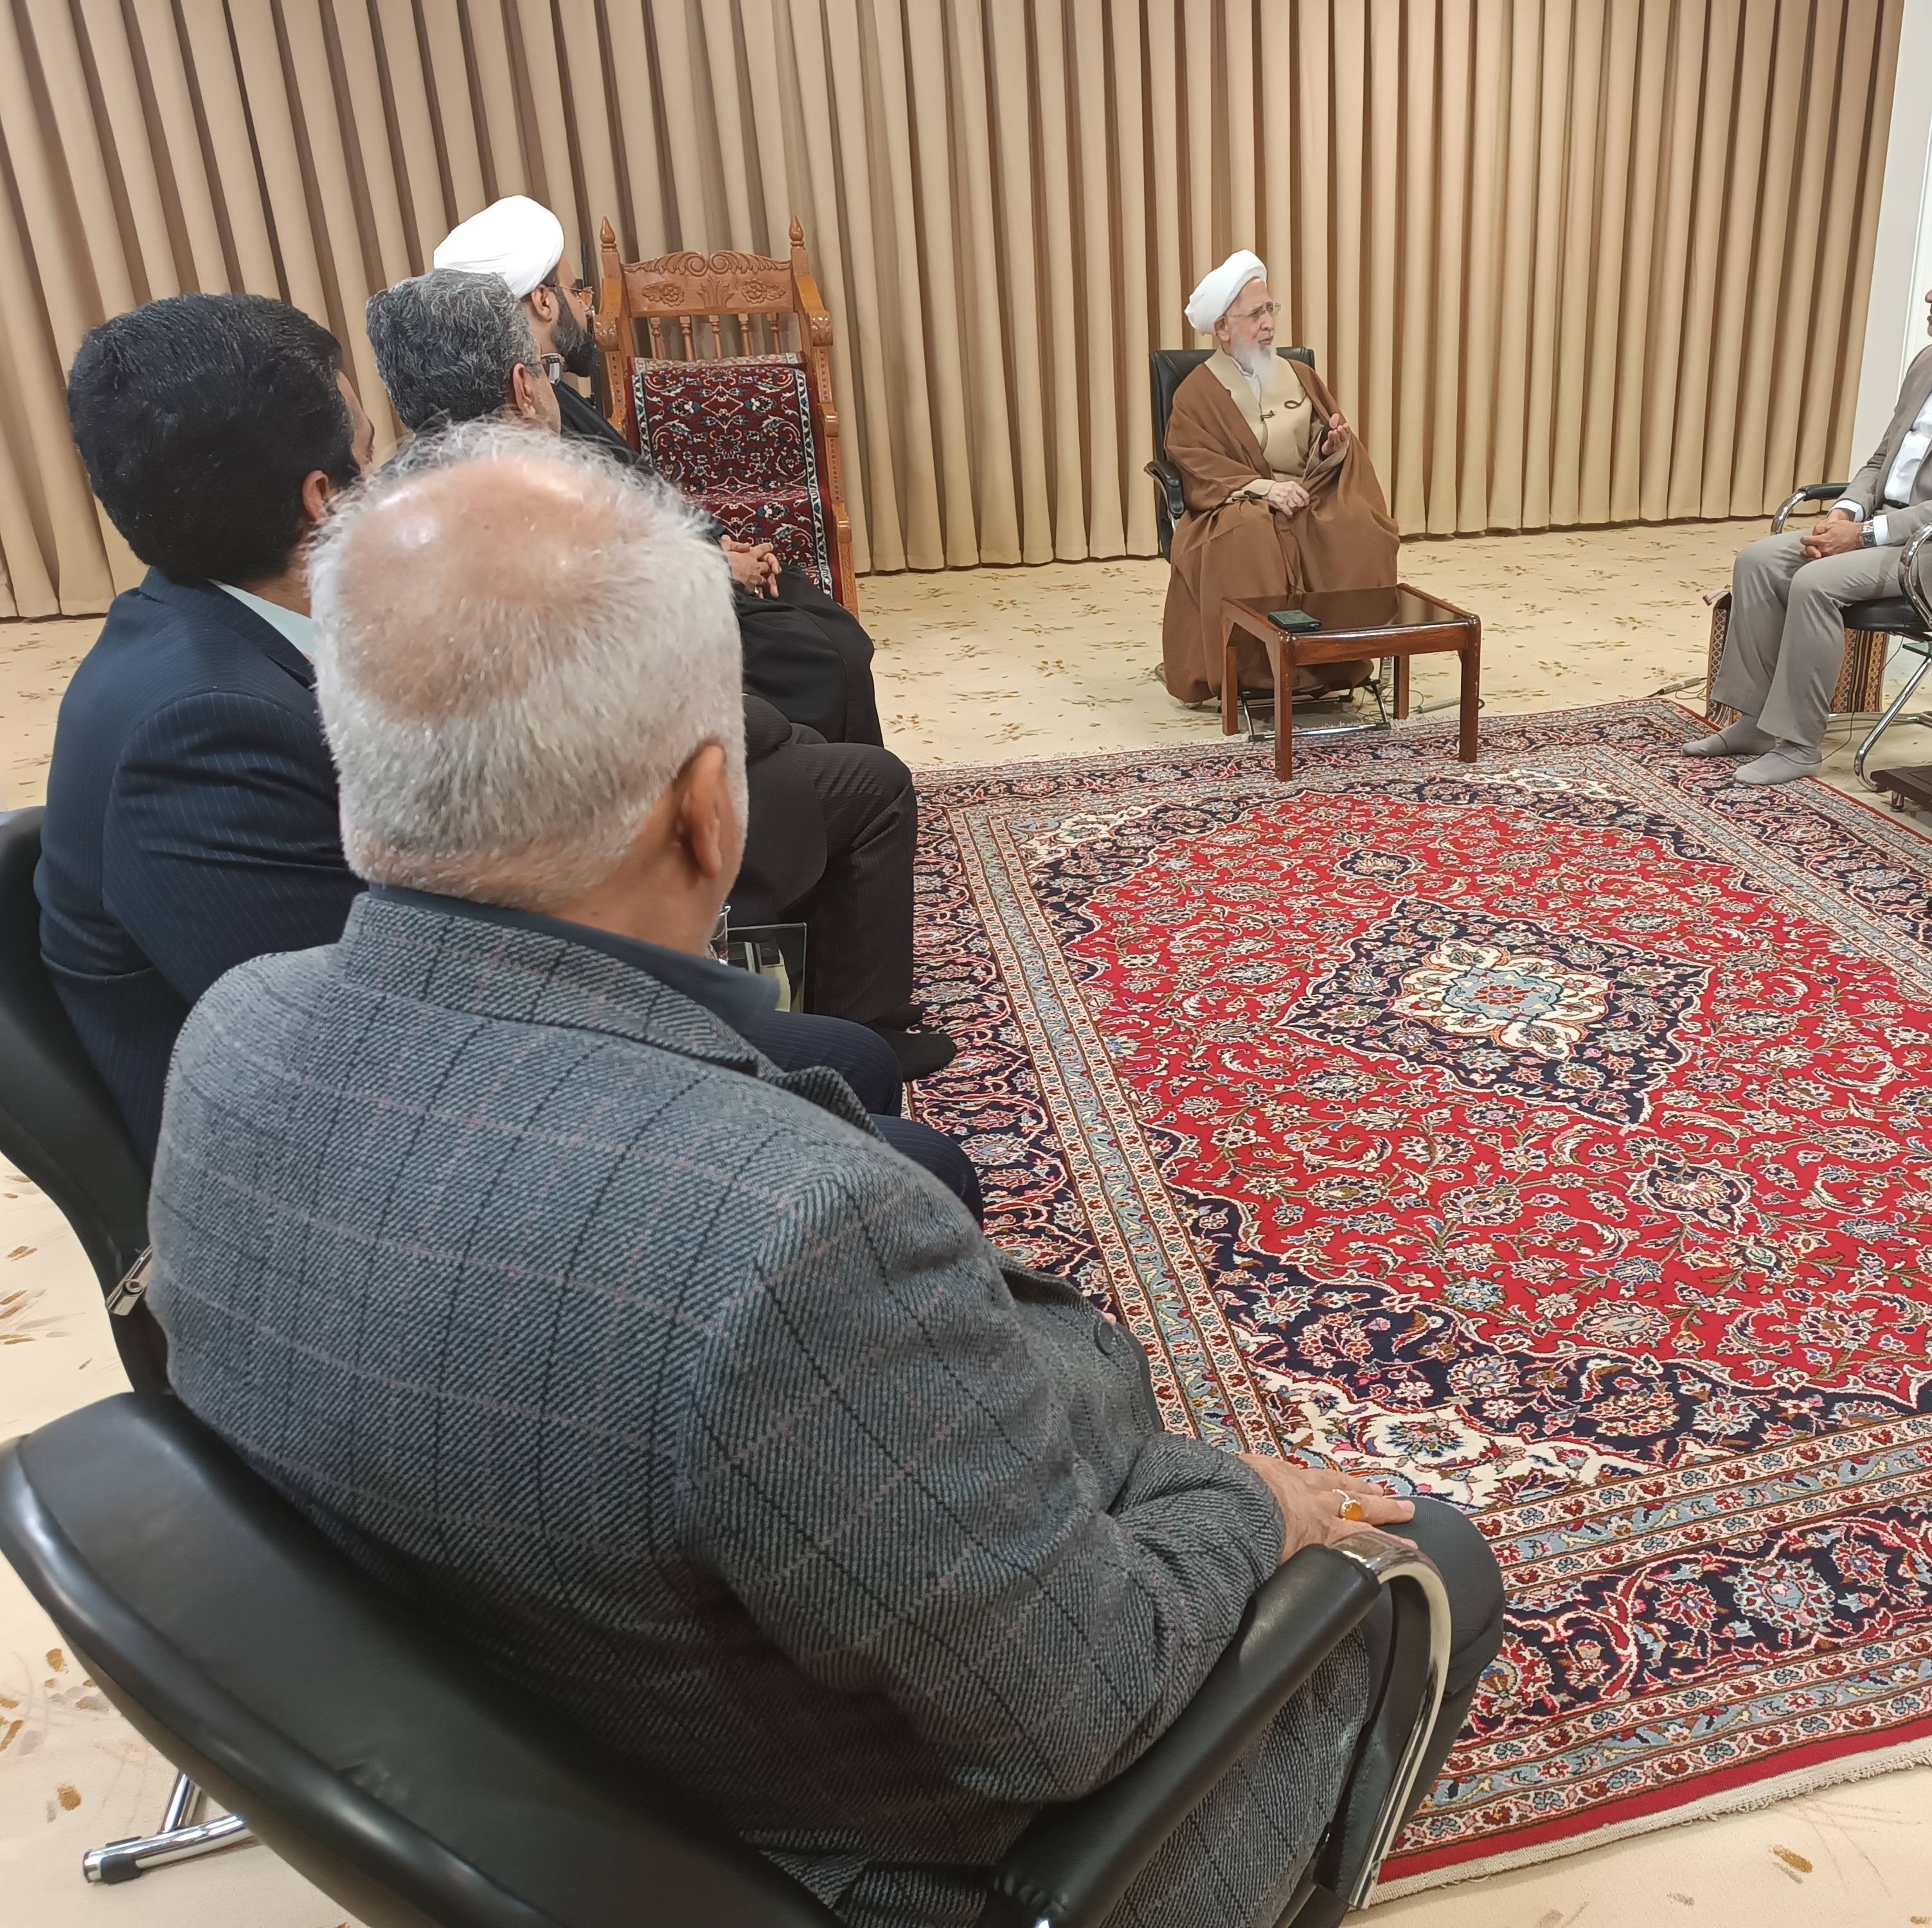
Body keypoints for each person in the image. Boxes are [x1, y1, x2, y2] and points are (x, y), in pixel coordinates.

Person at [146, 420, 1508, 1928]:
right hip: (876, 1858)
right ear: (708, 805)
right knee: (1436, 1562)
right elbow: (1081, 1706)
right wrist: (1252, 1505)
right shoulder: (785, 1238)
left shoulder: (232, 1037)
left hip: (542, 1748)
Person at [41, 292, 970, 1213]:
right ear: (321, 501)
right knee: (919, 1165)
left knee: (852, 1058)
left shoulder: (214, 636)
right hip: (354, 1161)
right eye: (366, 454)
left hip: (433, 1036)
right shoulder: (199, 732)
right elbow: (363, 1053)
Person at [366, 269, 944, 1072]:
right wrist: (775, 731)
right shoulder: (553, 510)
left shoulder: (380, 515)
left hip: (463, 835)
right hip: (603, 828)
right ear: (522, 388)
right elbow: (666, 707)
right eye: (541, 373)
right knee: (868, 782)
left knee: (806, 697)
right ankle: (862, 1031)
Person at [436, 195, 884, 748]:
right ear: (543, 302)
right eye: (577, 291)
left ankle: (848, 785)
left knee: (820, 621)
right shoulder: (520, 419)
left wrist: (721, 545)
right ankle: (832, 788)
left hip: (681, 571)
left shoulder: (550, 390)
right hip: (650, 616)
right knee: (821, 658)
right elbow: (590, 560)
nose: (587, 306)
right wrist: (714, 566)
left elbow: (637, 494)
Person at [1684, 226, 1932, 784]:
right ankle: (1757, 722)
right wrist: (1848, 511)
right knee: (1759, 561)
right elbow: (1883, 459)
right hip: (1893, 530)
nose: (1931, 295)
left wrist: (1864, 536)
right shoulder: (1931, 362)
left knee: (1817, 582)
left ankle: (1799, 745)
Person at [1158, 251, 1399, 706]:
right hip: (1236, 502)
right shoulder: (1197, 392)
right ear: (1223, 328)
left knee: (1359, 529)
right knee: (1248, 537)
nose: (1268, 323)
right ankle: (1260, 674)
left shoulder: (1300, 375)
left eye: (1270, 309)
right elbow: (1196, 463)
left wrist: (1329, 448)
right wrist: (1267, 490)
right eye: (1255, 314)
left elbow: (1323, 440)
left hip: (1309, 493)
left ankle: (1336, 661)